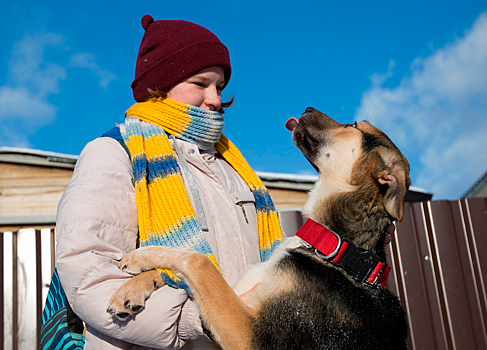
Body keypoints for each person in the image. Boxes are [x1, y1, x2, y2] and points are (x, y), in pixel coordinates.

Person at [55, 14, 282, 350]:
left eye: (220, 87)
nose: (216, 99)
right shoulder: (117, 152)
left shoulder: (234, 169)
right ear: (160, 85)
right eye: (201, 83)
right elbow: (89, 275)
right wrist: (205, 320)